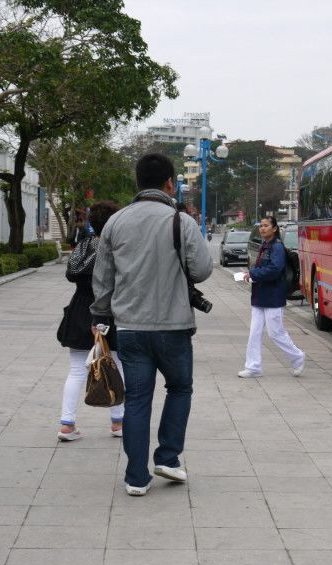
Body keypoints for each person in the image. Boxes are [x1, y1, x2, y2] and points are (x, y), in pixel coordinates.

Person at [91, 153, 213, 497]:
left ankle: (135, 477)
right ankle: (168, 457)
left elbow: (103, 280)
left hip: (130, 328)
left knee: (137, 400)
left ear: (137, 182)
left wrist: (100, 317)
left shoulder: (115, 222)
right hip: (174, 327)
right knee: (179, 388)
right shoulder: (182, 222)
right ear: (170, 184)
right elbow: (202, 270)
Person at [56, 200, 123, 441]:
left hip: (80, 308)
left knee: (75, 370)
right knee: (116, 365)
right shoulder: (117, 247)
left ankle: (67, 425)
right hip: (110, 310)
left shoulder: (84, 245)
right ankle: (118, 423)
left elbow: (71, 273)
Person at [239, 216, 305, 379]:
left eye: (266, 226)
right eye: (260, 226)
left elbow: (275, 269)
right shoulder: (265, 245)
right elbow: (265, 268)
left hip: (273, 297)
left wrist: (253, 273)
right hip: (260, 296)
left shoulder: (277, 247)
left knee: (275, 332)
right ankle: (253, 367)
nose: (262, 229)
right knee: (254, 332)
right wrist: (252, 274)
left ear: (274, 229)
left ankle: (297, 357)